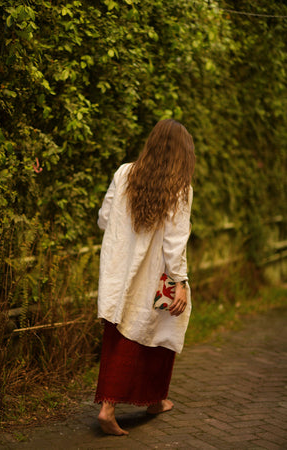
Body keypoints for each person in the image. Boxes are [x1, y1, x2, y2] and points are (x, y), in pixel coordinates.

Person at [94, 118, 195, 436]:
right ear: (182, 153)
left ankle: (156, 399)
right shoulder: (180, 186)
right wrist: (180, 281)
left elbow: (104, 219)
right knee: (156, 328)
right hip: (157, 275)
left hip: (120, 272)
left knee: (131, 331)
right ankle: (107, 409)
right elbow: (175, 240)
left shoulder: (125, 172)